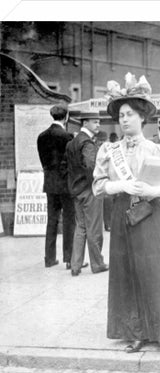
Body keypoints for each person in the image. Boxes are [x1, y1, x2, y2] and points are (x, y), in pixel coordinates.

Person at [92, 74, 160, 354]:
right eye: (121, 115)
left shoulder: (155, 148)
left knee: (157, 271)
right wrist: (120, 184)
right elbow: (98, 185)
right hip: (122, 216)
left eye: (130, 114)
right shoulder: (108, 150)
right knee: (128, 274)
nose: (124, 120)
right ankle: (135, 331)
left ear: (142, 119)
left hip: (151, 216)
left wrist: (154, 192)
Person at [66, 111, 108, 277]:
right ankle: (97, 264)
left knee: (80, 227)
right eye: (95, 122)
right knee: (94, 228)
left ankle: (75, 266)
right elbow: (91, 166)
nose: (98, 124)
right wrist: (98, 182)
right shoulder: (88, 143)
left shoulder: (72, 142)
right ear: (85, 123)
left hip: (76, 190)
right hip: (90, 190)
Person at [37, 103, 76, 269]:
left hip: (49, 183)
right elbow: (70, 163)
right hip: (65, 184)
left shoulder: (41, 137)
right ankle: (69, 259)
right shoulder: (67, 137)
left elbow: (43, 161)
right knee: (68, 220)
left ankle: (49, 258)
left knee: (51, 220)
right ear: (66, 117)